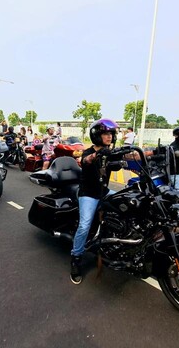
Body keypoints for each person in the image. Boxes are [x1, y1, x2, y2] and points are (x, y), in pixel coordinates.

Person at [70, 119, 119, 285]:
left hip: (104, 192)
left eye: (111, 133)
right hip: (88, 194)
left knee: (126, 203)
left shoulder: (110, 152)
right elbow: (86, 161)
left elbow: (130, 155)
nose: (109, 136)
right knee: (84, 225)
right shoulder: (88, 152)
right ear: (97, 135)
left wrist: (152, 153)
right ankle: (76, 257)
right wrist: (98, 154)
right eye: (106, 133)